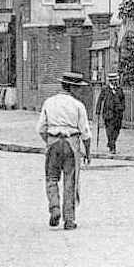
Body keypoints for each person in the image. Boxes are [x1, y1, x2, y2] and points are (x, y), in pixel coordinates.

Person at [36, 71, 93, 231]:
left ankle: (54, 208)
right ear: (72, 88)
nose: (81, 92)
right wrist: (87, 152)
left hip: (53, 141)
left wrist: (50, 141)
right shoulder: (78, 105)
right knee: (70, 181)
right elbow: (85, 133)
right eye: (79, 88)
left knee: (51, 178)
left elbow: (41, 128)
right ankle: (69, 219)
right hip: (71, 143)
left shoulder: (49, 102)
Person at [96, 72, 126, 154]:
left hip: (118, 115)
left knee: (117, 130)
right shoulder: (105, 90)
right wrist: (98, 111)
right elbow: (99, 100)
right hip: (108, 114)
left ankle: (111, 143)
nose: (114, 82)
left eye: (115, 80)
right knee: (109, 130)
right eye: (112, 80)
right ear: (110, 81)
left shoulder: (120, 90)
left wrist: (122, 108)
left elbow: (123, 101)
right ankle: (112, 147)